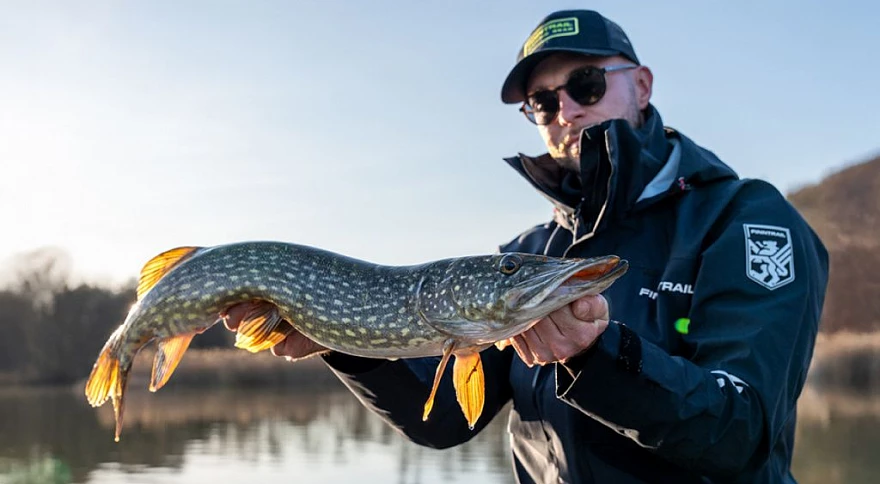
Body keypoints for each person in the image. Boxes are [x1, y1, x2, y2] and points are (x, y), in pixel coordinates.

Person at [224, 9, 829, 483]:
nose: (563, 110)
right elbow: (445, 419)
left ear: (641, 86)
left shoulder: (744, 219)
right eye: (541, 101)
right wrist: (343, 338)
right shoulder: (527, 255)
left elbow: (742, 431)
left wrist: (599, 358)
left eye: (585, 85)